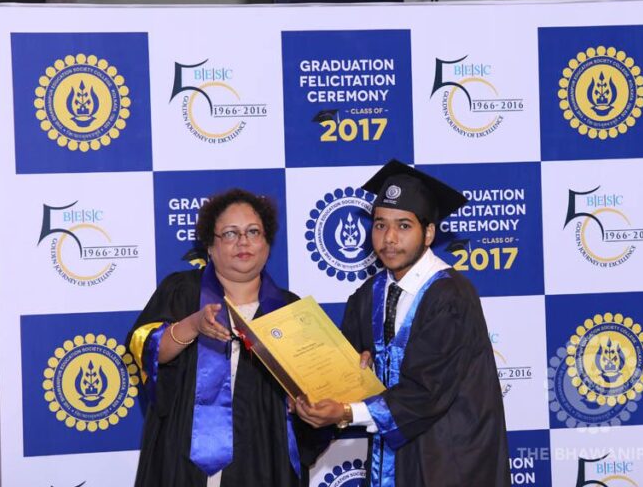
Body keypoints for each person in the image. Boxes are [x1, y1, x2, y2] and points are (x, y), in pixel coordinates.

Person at [295, 160, 510, 487]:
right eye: (380, 225)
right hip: (391, 457)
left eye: (404, 226)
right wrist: (310, 390)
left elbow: (427, 390)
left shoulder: (451, 296)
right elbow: (342, 365)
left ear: (429, 233)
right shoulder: (369, 295)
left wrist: (347, 412)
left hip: (448, 458)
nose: (389, 238)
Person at [127, 188, 318, 487]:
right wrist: (193, 325)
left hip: (264, 453)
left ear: (267, 244)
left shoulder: (291, 310)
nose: (243, 241)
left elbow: (315, 387)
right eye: (230, 233)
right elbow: (148, 349)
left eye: (253, 232)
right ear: (210, 246)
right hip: (183, 450)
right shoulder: (182, 291)